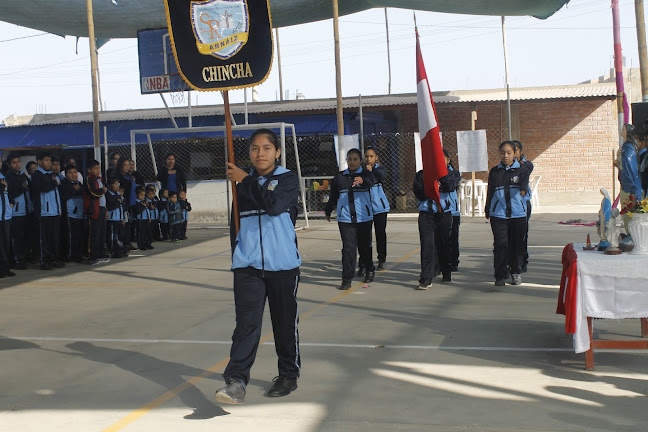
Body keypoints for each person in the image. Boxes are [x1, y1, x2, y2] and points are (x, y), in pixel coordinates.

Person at [215, 128, 302, 404]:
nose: (260, 153)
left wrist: (246, 181)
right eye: (254, 148)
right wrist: (237, 256)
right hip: (248, 267)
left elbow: (274, 205)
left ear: (277, 152)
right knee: (246, 326)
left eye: (266, 148)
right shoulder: (240, 185)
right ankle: (236, 381)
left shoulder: (286, 179)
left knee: (284, 324)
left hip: (283, 266)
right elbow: (235, 225)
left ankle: (288, 375)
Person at [484, 141, 529, 286]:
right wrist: (488, 207)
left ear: (515, 153)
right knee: (500, 245)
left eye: (509, 152)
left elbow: (525, 188)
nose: (505, 156)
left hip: (518, 214)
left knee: (517, 245)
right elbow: (490, 191)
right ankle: (500, 275)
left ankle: (516, 272)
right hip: (499, 215)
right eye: (502, 152)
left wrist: (523, 194)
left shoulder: (522, 170)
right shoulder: (495, 172)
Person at [413, 163, 459, 289]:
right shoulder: (421, 175)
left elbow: (451, 186)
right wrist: (430, 188)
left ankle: (446, 271)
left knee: (443, 243)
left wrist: (441, 180)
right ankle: (426, 277)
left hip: (443, 214)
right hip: (426, 215)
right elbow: (418, 192)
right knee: (427, 244)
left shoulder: (449, 174)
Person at [31, 151, 64, 270]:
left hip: (55, 211)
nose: (49, 163)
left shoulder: (52, 174)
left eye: (50, 161)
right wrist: (53, 183)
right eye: (46, 160)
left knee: (54, 238)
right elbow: (42, 188)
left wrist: (53, 182)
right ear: (39, 162)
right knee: (44, 239)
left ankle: (53, 258)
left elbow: (59, 186)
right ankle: (44, 261)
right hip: (44, 211)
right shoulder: (37, 175)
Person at [362, 146, 389, 271]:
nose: (368, 159)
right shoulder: (361, 170)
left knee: (380, 234)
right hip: (365, 209)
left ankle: (382, 259)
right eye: (366, 156)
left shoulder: (380, 169)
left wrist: (371, 170)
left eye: (371, 156)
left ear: (376, 158)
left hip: (379, 208)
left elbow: (381, 175)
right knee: (364, 236)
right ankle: (364, 261)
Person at [5, 154, 32, 269]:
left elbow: (28, 187)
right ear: (9, 164)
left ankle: (24, 257)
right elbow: (12, 192)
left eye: (18, 162)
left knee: (25, 236)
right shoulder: (9, 176)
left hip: (26, 210)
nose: (17, 164)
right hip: (16, 211)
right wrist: (22, 187)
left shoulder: (22, 175)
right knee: (17, 237)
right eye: (14, 162)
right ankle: (17, 260)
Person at [617, 123, 643, 233]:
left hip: (629, 185)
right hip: (626, 184)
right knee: (627, 212)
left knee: (629, 212)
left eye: (623, 129)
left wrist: (630, 186)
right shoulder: (627, 147)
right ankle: (629, 234)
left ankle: (631, 235)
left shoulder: (628, 148)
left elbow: (628, 167)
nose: (621, 130)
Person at [513, 140, 534, 273]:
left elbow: (527, 168)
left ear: (520, 152)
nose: (512, 154)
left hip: (522, 204)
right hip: (508, 205)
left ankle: (523, 260)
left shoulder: (526, 165)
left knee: (522, 234)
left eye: (515, 151)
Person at [84, 160, 109, 265]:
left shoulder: (100, 179)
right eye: (95, 168)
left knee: (102, 232)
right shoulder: (89, 180)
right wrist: (102, 190)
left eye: (99, 168)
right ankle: (92, 256)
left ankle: (100, 253)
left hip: (102, 208)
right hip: (94, 209)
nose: (98, 170)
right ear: (89, 170)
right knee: (94, 233)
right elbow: (92, 193)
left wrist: (106, 209)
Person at [60, 164, 85, 263]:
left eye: (75, 172)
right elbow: (63, 198)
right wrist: (72, 190)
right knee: (72, 236)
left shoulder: (80, 184)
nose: (73, 175)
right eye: (70, 173)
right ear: (66, 175)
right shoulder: (64, 185)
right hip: (71, 214)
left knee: (80, 235)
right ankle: (71, 255)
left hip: (80, 214)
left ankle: (79, 254)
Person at [444, 150, 461, 272]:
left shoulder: (454, 173)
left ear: (448, 160)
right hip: (440, 210)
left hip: (453, 211)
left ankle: (454, 261)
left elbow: (450, 186)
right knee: (441, 238)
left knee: (453, 237)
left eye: (443, 158)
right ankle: (442, 262)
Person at [106, 178, 127, 258]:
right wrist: (117, 202)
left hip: (119, 218)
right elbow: (111, 206)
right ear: (110, 186)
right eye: (115, 184)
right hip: (112, 219)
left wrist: (122, 218)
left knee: (120, 236)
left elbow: (121, 207)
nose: (117, 186)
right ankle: (113, 251)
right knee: (112, 236)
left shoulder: (118, 195)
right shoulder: (108, 195)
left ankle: (120, 250)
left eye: (118, 184)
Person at [0, 171, 14, 278]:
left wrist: (11, 202)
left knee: (6, 243)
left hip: (6, 216)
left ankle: (6, 268)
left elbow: (8, 193)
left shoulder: (3, 177)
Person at [134, 186, 153, 250]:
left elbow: (147, 210)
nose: (142, 197)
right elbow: (138, 211)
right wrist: (143, 206)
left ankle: (147, 243)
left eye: (144, 195)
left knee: (147, 232)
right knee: (141, 233)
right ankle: (141, 245)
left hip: (146, 219)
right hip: (140, 219)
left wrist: (149, 217)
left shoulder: (145, 202)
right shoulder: (137, 202)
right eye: (141, 195)